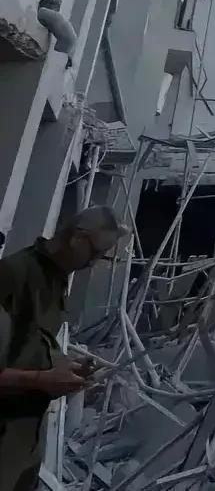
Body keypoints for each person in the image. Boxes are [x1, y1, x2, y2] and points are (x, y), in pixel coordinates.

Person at [0, 207, 127, 491]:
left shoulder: (55, 279)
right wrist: (42, 379)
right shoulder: (14, 274)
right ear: (76, 238)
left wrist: (63, 365)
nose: (94, 262)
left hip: (26, 432)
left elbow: (30, 344)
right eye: (95, 252)